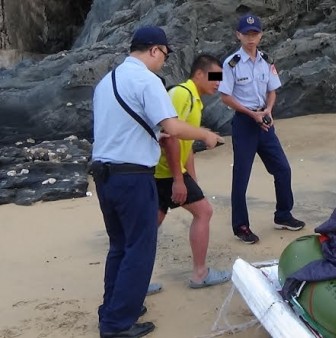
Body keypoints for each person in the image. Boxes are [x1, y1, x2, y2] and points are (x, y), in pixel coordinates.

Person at [91, 26, 222, 338]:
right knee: (139, 248)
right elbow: (173, 127)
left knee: (120, 246)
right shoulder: (147, 80)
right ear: (153, 50)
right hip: (133, 177)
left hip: (103, 175)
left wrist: (154, 135)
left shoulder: (106, 81)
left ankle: (115, 309)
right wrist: (205, 135)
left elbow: (119, 128)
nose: (164, 62)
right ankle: (117, 325)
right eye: (164, 54)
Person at [218, 14, 305, 244]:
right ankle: (241, 226)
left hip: (264, 121)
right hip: (245, 123)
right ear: (238, 35)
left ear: (261, 35)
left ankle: (284, 214)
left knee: (283, 169)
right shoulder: (229, 64)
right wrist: (251, 114)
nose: (250, 38)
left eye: (254, 33)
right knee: (241, 177)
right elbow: (224, 97)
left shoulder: (267, 60)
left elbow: (273, 89)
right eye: (246, 34)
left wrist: (268, 110)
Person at [153, 54, 231, 288]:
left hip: (167, 171)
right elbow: (170, 137)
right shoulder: (182, 94)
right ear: (198, 74)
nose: (218, 83)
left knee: (149, 226)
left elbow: (187, 145)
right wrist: (179, 179)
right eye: (215, 77)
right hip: (165, 171)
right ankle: (200, 274)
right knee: (204, 212)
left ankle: (135, 281)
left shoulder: (194, 100)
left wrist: (191, 179)